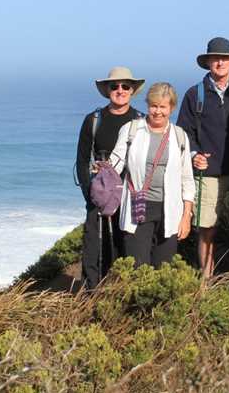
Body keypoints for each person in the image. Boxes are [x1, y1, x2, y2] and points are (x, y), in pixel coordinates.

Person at [177, 37, 229, 278]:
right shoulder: (194, 94)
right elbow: (184, 131)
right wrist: (194, 154)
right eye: (215, 58)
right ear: (208, 62)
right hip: (208, 173)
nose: (220, 62)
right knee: (207, 228)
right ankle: (206, 281)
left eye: (225, 58)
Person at [110, 83, 195, 268]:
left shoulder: (179, 136)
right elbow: (114, 166)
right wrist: (102, 174)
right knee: (138, 268)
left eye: (163, 106)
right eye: (153, 106)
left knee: (164, 269)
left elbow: (187, 179)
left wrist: (186, 216)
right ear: (148, 105)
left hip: (170, 211)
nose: (158, 111)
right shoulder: (131, 129)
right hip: (138, 208)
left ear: (171, 108)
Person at [75, 67, 144, 288]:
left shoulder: (140, 121)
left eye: (126, 86)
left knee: (126, 244)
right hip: (101, 192)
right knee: (95, 246)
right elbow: (82, 159)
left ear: (132, 90)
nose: (120, 90)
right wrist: (90, 194)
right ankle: (92, 294)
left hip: (130, 193)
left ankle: (121, 292)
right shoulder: (93, 120)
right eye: (114, 86)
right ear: (107, 90)